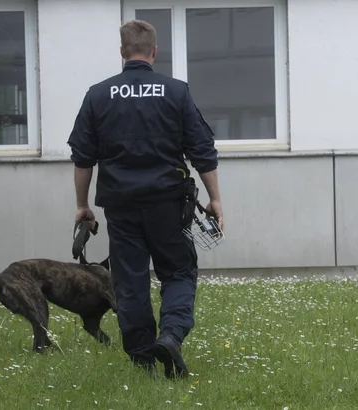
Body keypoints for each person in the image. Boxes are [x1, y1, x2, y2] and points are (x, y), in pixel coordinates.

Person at [67, 19, 223, 379]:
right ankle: (170, 335)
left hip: (121, 207)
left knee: (130, 281)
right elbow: (202, 151)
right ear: (154, 51)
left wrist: (82, 205)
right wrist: (215, 199)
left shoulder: (98, 95)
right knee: (179, 271)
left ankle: (142, 358)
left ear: (122, 52)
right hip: (169, 205)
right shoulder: (176, 92)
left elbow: (82, 158)